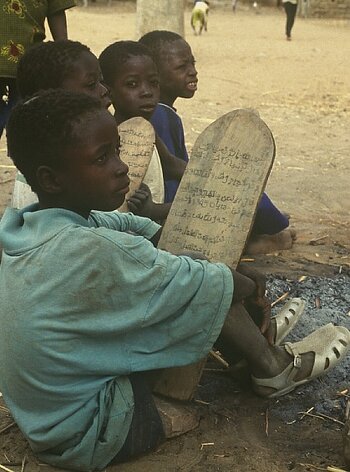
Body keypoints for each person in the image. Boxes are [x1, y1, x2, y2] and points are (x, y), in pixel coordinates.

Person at [0, 88, 349, 471]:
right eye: (102, 158)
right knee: (201, 282)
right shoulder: (93, 252)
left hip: (45, 419)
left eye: (117, 150)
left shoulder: (25, 226)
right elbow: (208, 281)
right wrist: (249, 285)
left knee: (190, 270)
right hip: (90, 434)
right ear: (51, 179)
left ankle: (245, 343)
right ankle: (272, 366)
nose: (122, 167)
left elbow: (126, 225)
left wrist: (194, 256)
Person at [139, 30, 297, 255]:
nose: (193, 72)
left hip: (169, 201)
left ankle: (262, 230)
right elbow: (171, 167)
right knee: (243, 193)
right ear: (155, 76)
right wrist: (217, 178)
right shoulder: (161, 115)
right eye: (181, 67)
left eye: (192, 64)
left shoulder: (160, 113)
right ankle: (267, 238)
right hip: (167, 206)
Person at [9, 39, 111, 210]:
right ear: (52, 96)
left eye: (101, 81)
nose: (104, 90)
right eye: (91, 84)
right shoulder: (44, 177)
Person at [99, 40, 186, 222]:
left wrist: (215, 179)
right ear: (109, 91)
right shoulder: (109, 141)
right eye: (132, 84)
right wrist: (154, 211)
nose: (147, 92)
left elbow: (172, 165)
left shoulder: (147, 133)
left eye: (153, 83)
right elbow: (119, 213)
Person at [0, 0, 76, 139]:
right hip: (29, 61)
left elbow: (56, 9)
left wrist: (65, 52)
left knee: (24, 123)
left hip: (29, 64)